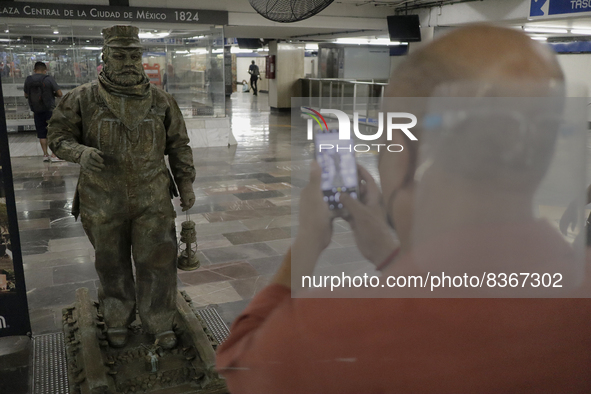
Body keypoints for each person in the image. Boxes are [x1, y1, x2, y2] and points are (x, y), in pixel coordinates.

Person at [216, 25, 591, 393]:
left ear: (406, 152)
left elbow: (241, 362)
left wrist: (308, 242)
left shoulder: (329, 331)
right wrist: (388, 254)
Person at [48, 25, 196, 350]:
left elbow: (179, 145)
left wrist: (185, 183)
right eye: (119, 54)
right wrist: (80, 152)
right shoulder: (82, 98)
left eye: (134, 54)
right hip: (101, 198)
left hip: (152, 196)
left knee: (157, 259)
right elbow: (58, 137)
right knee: (110, 262)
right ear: (105, 56)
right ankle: (117, 317)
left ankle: (159, 320)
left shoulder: (161, 100)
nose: (128, 61)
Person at [24, 62, 63, 162]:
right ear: (45, 70)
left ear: (34, 70)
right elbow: (59, 93)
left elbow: (26, 95)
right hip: (50, 110)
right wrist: (51, 94)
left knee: (41, 133)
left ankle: (45, 155)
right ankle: (54, 155)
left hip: (37, 110)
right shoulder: (48, 79)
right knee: (53, 132)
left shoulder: (29, 80)